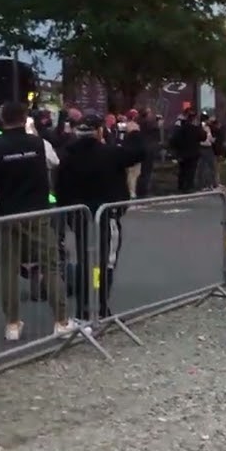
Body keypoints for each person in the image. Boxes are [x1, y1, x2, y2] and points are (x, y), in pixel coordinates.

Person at [0, 101, 76, 340]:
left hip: (9, 216)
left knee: (8, 270)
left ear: (2, 119)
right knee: (49, 266)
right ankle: (61, 321)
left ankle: (12, 324)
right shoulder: (40, 144)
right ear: (25, 118)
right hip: (39, 213)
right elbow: (56, 162)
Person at [55, 113, 144, 321]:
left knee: (84, 259)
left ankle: (83, 310)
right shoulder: (110, 153)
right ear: (99, 131)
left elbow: (59, 187)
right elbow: (141, 153)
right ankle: (102, 307)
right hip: (107, 215)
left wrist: (66, 211)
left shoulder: (67, 155)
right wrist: (134, 132)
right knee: (106, 261)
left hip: (78, 216)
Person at [169, 110, 206, 193]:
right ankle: (189, 187)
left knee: (182, 170)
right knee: (191, 171)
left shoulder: (181, 129)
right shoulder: (195, 129)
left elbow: (173, 140)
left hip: (182, 154)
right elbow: (203, 137)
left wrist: (177, 150)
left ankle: (181, 187)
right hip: (193, 154)